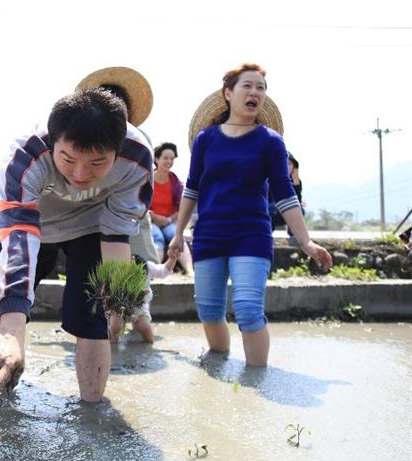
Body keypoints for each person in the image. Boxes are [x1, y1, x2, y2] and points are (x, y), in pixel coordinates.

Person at [0, 87, 153, 404]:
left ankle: (92, 408)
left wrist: (117, 295)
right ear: (52, 142)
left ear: (117, 149)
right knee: (1, 306)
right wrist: (13, 331)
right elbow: (18, 236)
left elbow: (116, 231)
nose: (81, 174)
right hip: (32, 225)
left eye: (97, 163)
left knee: (91, 316)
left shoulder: (136, 156)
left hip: (91, 227)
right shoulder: (25, 156)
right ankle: (6, 376)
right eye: (68, 160)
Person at [168, 63, 332, 367]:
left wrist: (307, 242)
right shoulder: (206, 139)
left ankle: (257, 381)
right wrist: (178, 235)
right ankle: (216, 368)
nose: (255, 92)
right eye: (248, 86)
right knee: (208, 309)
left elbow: (285, 195)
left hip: (251, 234)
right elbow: (192, 190)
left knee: (247, 308)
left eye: (261, 88)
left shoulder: (270, 141)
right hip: (210, 235)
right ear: (228, 93)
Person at [77, 66, 159, 264]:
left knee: (136, 264)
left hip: (124, 213)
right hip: (88, 215)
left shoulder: (140, 143)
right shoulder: (82, 140)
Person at [108, 253, 177, 344]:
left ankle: (147, 347)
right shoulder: (118, 271)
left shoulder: (148, 267)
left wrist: (173, 258)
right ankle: (112, 346)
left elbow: (163, 271)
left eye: (140, 278)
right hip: (119, 303)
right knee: (115, 327)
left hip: (140, 305)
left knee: (144, 327)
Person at [149, 142, 194, 274]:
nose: (169, 161)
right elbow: (141, 204)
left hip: (169, 221)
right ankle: (154, 272)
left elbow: (181, 207)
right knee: (157, 237)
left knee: (176, 236)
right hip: (151, 221)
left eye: (172, 158)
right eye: (165, 158)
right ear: (157, 159)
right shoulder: (147, 179)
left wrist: (168, 220)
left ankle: (190, 271)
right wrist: (155, 217)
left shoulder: (175, 182)